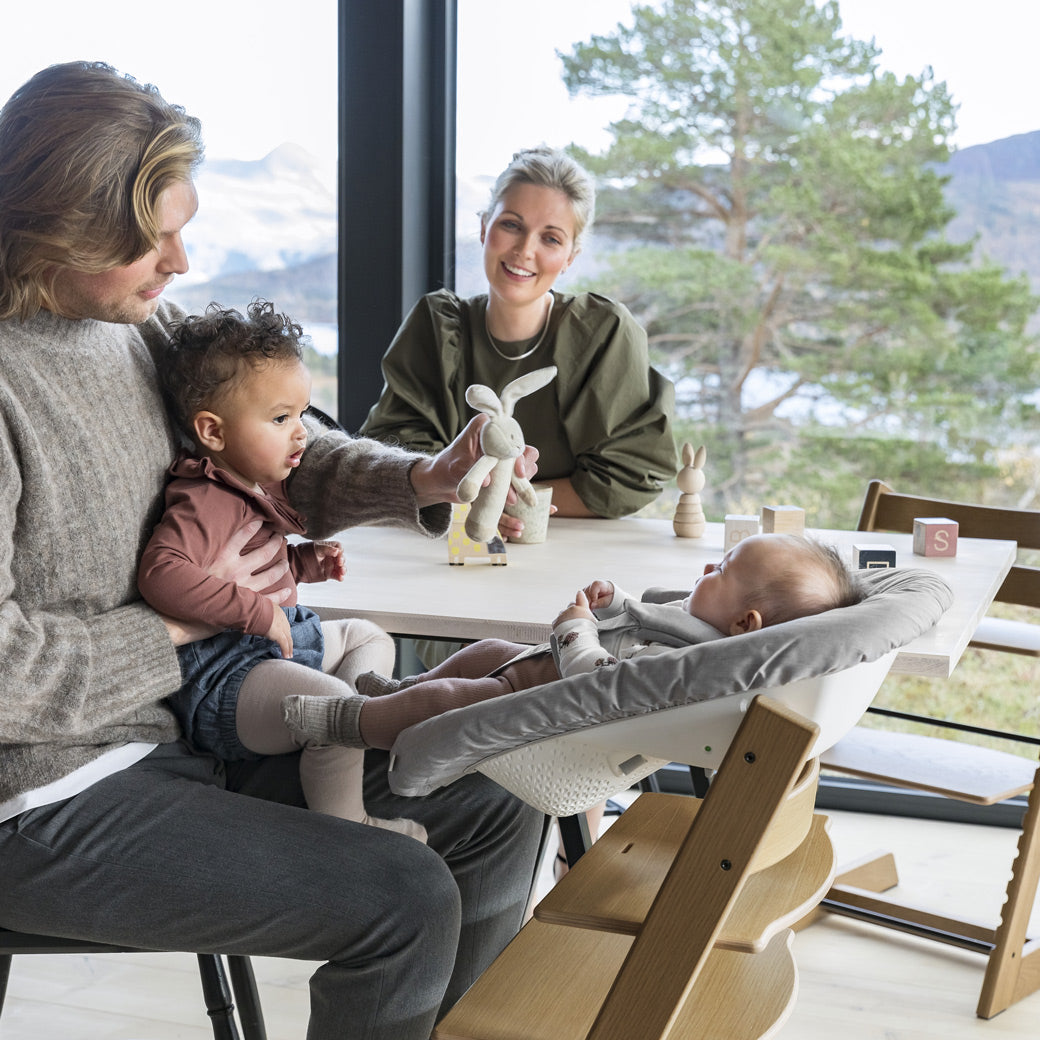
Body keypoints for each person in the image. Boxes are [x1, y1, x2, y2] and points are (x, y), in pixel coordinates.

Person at [0, 61, 544, 1040]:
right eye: (153, 239)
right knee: (402, 894)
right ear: (58, 222)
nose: (179, 262)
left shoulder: (134, 325)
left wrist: (422, 478)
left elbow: (266, 440)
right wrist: (176, 618)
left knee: (490, 788)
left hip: (188, 724)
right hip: (40, 793)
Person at [137, 300, 424, 841]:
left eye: (302, 414)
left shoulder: (246, 484)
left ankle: (347, 726)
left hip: (279, 647)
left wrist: (301, 564)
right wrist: (258, 611)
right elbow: (164, 572)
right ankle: (349, 821)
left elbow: (241, 568)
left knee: (368, 636)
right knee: (334, 708)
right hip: (228, 679)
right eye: (280, 419)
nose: (302, 434)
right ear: (212, 431)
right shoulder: (203, 498)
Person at [283, 533, 866, 750]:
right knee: (486, 652)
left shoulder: (685, 664)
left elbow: (600, 682)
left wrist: (574, 628)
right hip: (529, 673)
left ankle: (350, 722)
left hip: (545, 710)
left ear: (746, 624)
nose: (709, 565)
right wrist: (614, 602)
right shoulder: (704, 631)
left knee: (457, 697)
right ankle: (403, 689)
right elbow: (643, 620)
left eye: (723, 571)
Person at [359, 144, 678, 537]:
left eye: (551, 239)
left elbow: (631, 476)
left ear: (571, 256)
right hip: (441, 547)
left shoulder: (603, 333)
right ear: (483, 227)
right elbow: (393, 456)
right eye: (511, 224)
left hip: (577, 553)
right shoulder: (435, 327)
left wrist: (507, 501)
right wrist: (474, 501)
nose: (525, 251)